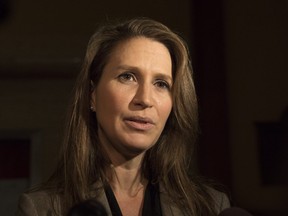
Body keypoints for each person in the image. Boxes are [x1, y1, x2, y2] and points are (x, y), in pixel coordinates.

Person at [16, 17, 230, 216]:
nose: (145, 99)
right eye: (127, 77)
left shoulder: (210, 206)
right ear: (93, 95)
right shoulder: (42, 209)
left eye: (161, 84)